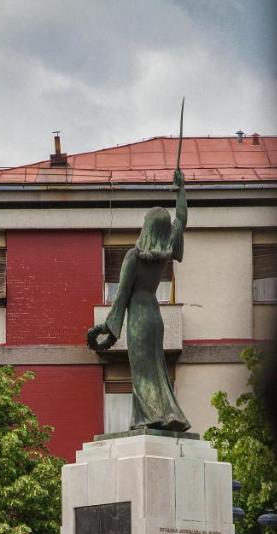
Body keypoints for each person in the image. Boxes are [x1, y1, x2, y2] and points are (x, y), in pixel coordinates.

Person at [87, 168, 191, 433]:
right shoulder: (165, 252)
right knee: (156, 367)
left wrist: (109, 330)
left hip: (139, 317)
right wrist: (181, 190)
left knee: (143, 371)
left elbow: (121, 296)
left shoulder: (134, 256)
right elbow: (181, 219)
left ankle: (152, 417)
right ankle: (159, 415)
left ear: (146, 227)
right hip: (155, 316)